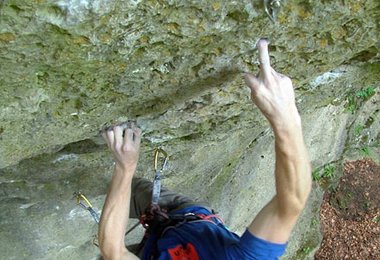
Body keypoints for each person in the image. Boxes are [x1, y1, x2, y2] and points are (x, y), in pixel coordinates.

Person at [98, 38, 312, 260]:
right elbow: (292, 201)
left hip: (155, 248)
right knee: (133, 190)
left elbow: (114, 251)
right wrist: (286, 119)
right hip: (185, 216)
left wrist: (125, 166)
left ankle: (121, 188)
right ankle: (123, 190)